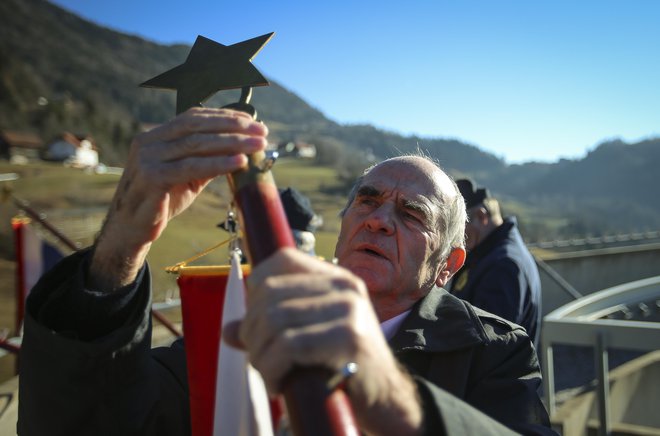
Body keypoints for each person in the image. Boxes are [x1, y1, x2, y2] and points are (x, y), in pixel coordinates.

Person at [18, 107, 554, 435]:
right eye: (366, 201)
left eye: (412, 214)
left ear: (448, 266)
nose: (380, 221)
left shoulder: (494, 351)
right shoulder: (250, 319)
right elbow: (98, 420)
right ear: (341, 226)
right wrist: (118, 250)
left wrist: (389, 398)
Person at [450, 179, 542, 348]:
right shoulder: (489, 254)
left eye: (459, 225)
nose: (456, 235)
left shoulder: (503, 266)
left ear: (481, 216)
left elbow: (489, 346)